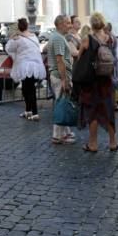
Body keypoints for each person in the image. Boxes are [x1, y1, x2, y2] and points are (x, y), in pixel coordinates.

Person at [78, 13, 117, 152]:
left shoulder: (87, 39)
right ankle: (113, 142)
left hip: (92, 81)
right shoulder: (111, 39)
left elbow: (79, 56)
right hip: (107, 79)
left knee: (92, 111)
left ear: (91, 24)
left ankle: (93, 144)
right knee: (109, 109)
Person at [5, 18, 45, 121]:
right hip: (36, 66)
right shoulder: (34, 36)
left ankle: (35, 113)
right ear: (27, 26)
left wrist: (11, 38)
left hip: (25, 67)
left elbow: (8, 48)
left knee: (29, 90)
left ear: (18, 28)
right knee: (27, 89)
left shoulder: (18, 39)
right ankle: (28, 111)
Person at [47, 14, 75, 144]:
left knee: (63, 102)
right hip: (60, 77)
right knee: (61, 104)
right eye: (68, 23)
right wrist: (65, 80)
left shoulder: (56, 37)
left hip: (59, 75)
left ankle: (65, 132)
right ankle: (57, 135)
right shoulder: (58, 38)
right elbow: (60, 60)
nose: (70, 25)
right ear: (60, 24)